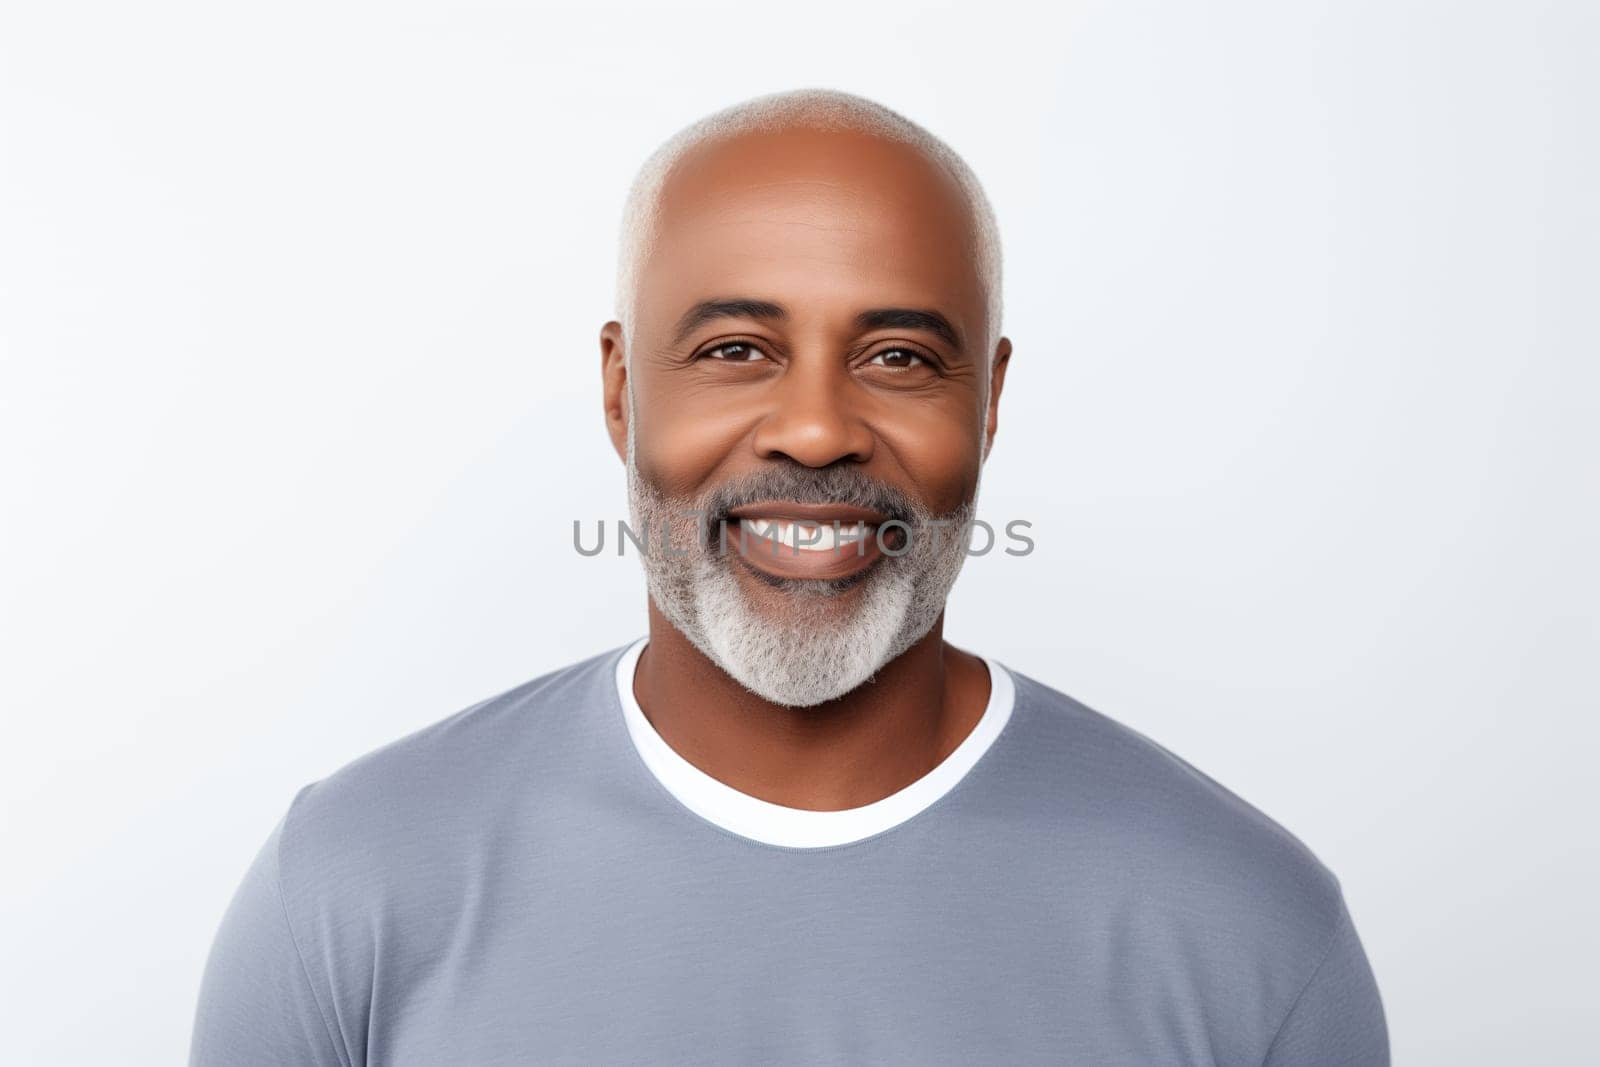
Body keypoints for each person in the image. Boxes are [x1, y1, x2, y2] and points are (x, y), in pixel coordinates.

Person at [189, 88, 1389, 1065]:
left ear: (990, 401)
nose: (815, 430)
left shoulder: (1252, 930)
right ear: (619, 388)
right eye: (735, 349)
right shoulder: (349, 890)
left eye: (899, 355)